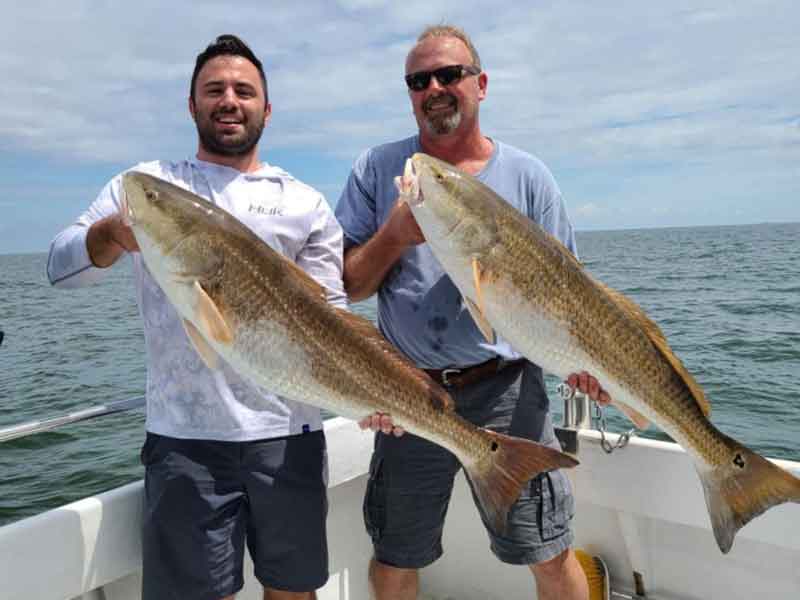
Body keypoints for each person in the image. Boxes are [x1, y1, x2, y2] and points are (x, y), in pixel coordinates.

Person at [47, 35, 341, 600]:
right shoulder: (147, 186)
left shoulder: (304, 202)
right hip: (184, 440)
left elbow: (333, 315)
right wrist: (111, 234)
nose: (229, 100)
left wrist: (380, 396)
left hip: (290, 436)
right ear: (191, 105)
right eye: (214, 90)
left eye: (244, 91)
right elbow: (62, 268)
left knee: (294, 591)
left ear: (267, 109)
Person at [336, 25, 610, 600]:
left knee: (549, 551)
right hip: (408, 391)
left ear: (481, 84)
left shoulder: (529, 178)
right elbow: (348, 285)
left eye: (448, 75)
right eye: (418, 81)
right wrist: (394, 234)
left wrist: (588, 367)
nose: (433, 88)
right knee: (395, 556)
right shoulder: (377, 169)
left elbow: (573, 298)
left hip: (509, 387)